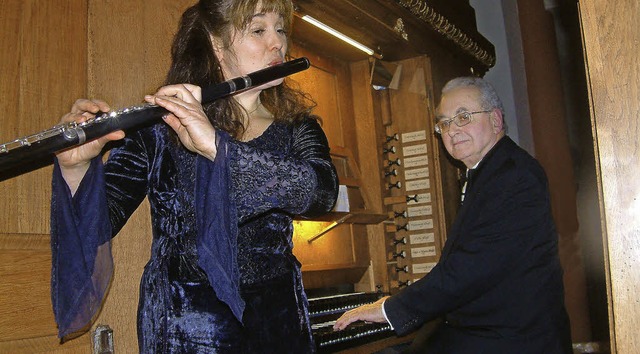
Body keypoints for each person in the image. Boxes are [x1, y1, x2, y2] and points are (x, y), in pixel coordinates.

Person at [50, 0, 338, 352]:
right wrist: (76, 166)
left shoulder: (297, 129)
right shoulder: (160, 130)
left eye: (281, 29)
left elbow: (321, 192)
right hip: (186, 325)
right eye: (259, 30)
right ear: (216, 44)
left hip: (278, 321)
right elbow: (98, 224)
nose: (277, 43)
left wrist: (220, 149)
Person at [333, 77, 572, 353]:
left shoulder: (514, 176)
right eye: (444, 123)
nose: (452, 130)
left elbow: (470, 269)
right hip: (490, 331)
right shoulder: (492, 172)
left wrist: (390, 309)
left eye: (464, 117)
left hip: (513, 339)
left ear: (496, 120)